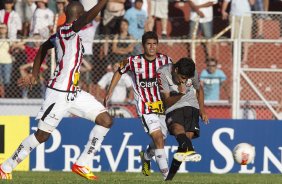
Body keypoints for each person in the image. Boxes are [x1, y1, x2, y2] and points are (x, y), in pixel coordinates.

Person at [0, 0, 112, 181]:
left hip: (73, 92)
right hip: (59, 93)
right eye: (83, 15)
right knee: (42, 135)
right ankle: (6, 166)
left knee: (105, 120)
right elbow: (83, 20)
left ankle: (82, 163)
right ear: (79, 15)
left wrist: (35, 74)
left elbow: (44, 47)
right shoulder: (66, 31)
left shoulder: (67, 34)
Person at [104, 31, 170, 180]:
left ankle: (146, 156)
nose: (152, 47)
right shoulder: (133, 61)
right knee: (158, 138)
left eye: (154, 44)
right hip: (145, 106)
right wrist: (109, 92)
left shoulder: (166, 60)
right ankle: (167, 176)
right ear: (143, 46)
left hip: (162, 106)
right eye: (149, 44)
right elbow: (119, 71)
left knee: (160, 140)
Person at [157, 57, 209, 180]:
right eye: (183, 77)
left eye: (187, 78)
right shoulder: (163, 73)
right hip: (172, 106)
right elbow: (167, 101)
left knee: (185, 141)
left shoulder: (192, 72)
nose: (184, 81)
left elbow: (199, 89)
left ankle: (169, 178)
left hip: (191, 105)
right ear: (176, 70)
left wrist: (202, 110)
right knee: (176, 128)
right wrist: (181, 93)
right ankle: (190, 150)